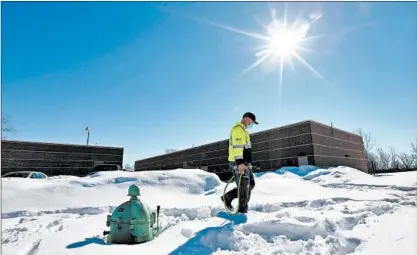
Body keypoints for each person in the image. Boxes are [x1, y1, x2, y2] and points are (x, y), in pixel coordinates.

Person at [221, 112, 258, 213]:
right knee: (244, 187)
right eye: (251, 121)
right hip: (238, 163)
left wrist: (248, 162)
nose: (252, 124)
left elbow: (246, 149)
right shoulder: (237, 129)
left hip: (244, 163)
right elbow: (237, 147)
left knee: (250, 184)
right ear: (246, 118)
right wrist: (240, 163)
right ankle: (242, 212)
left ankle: (227, 197)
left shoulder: (244, 131)